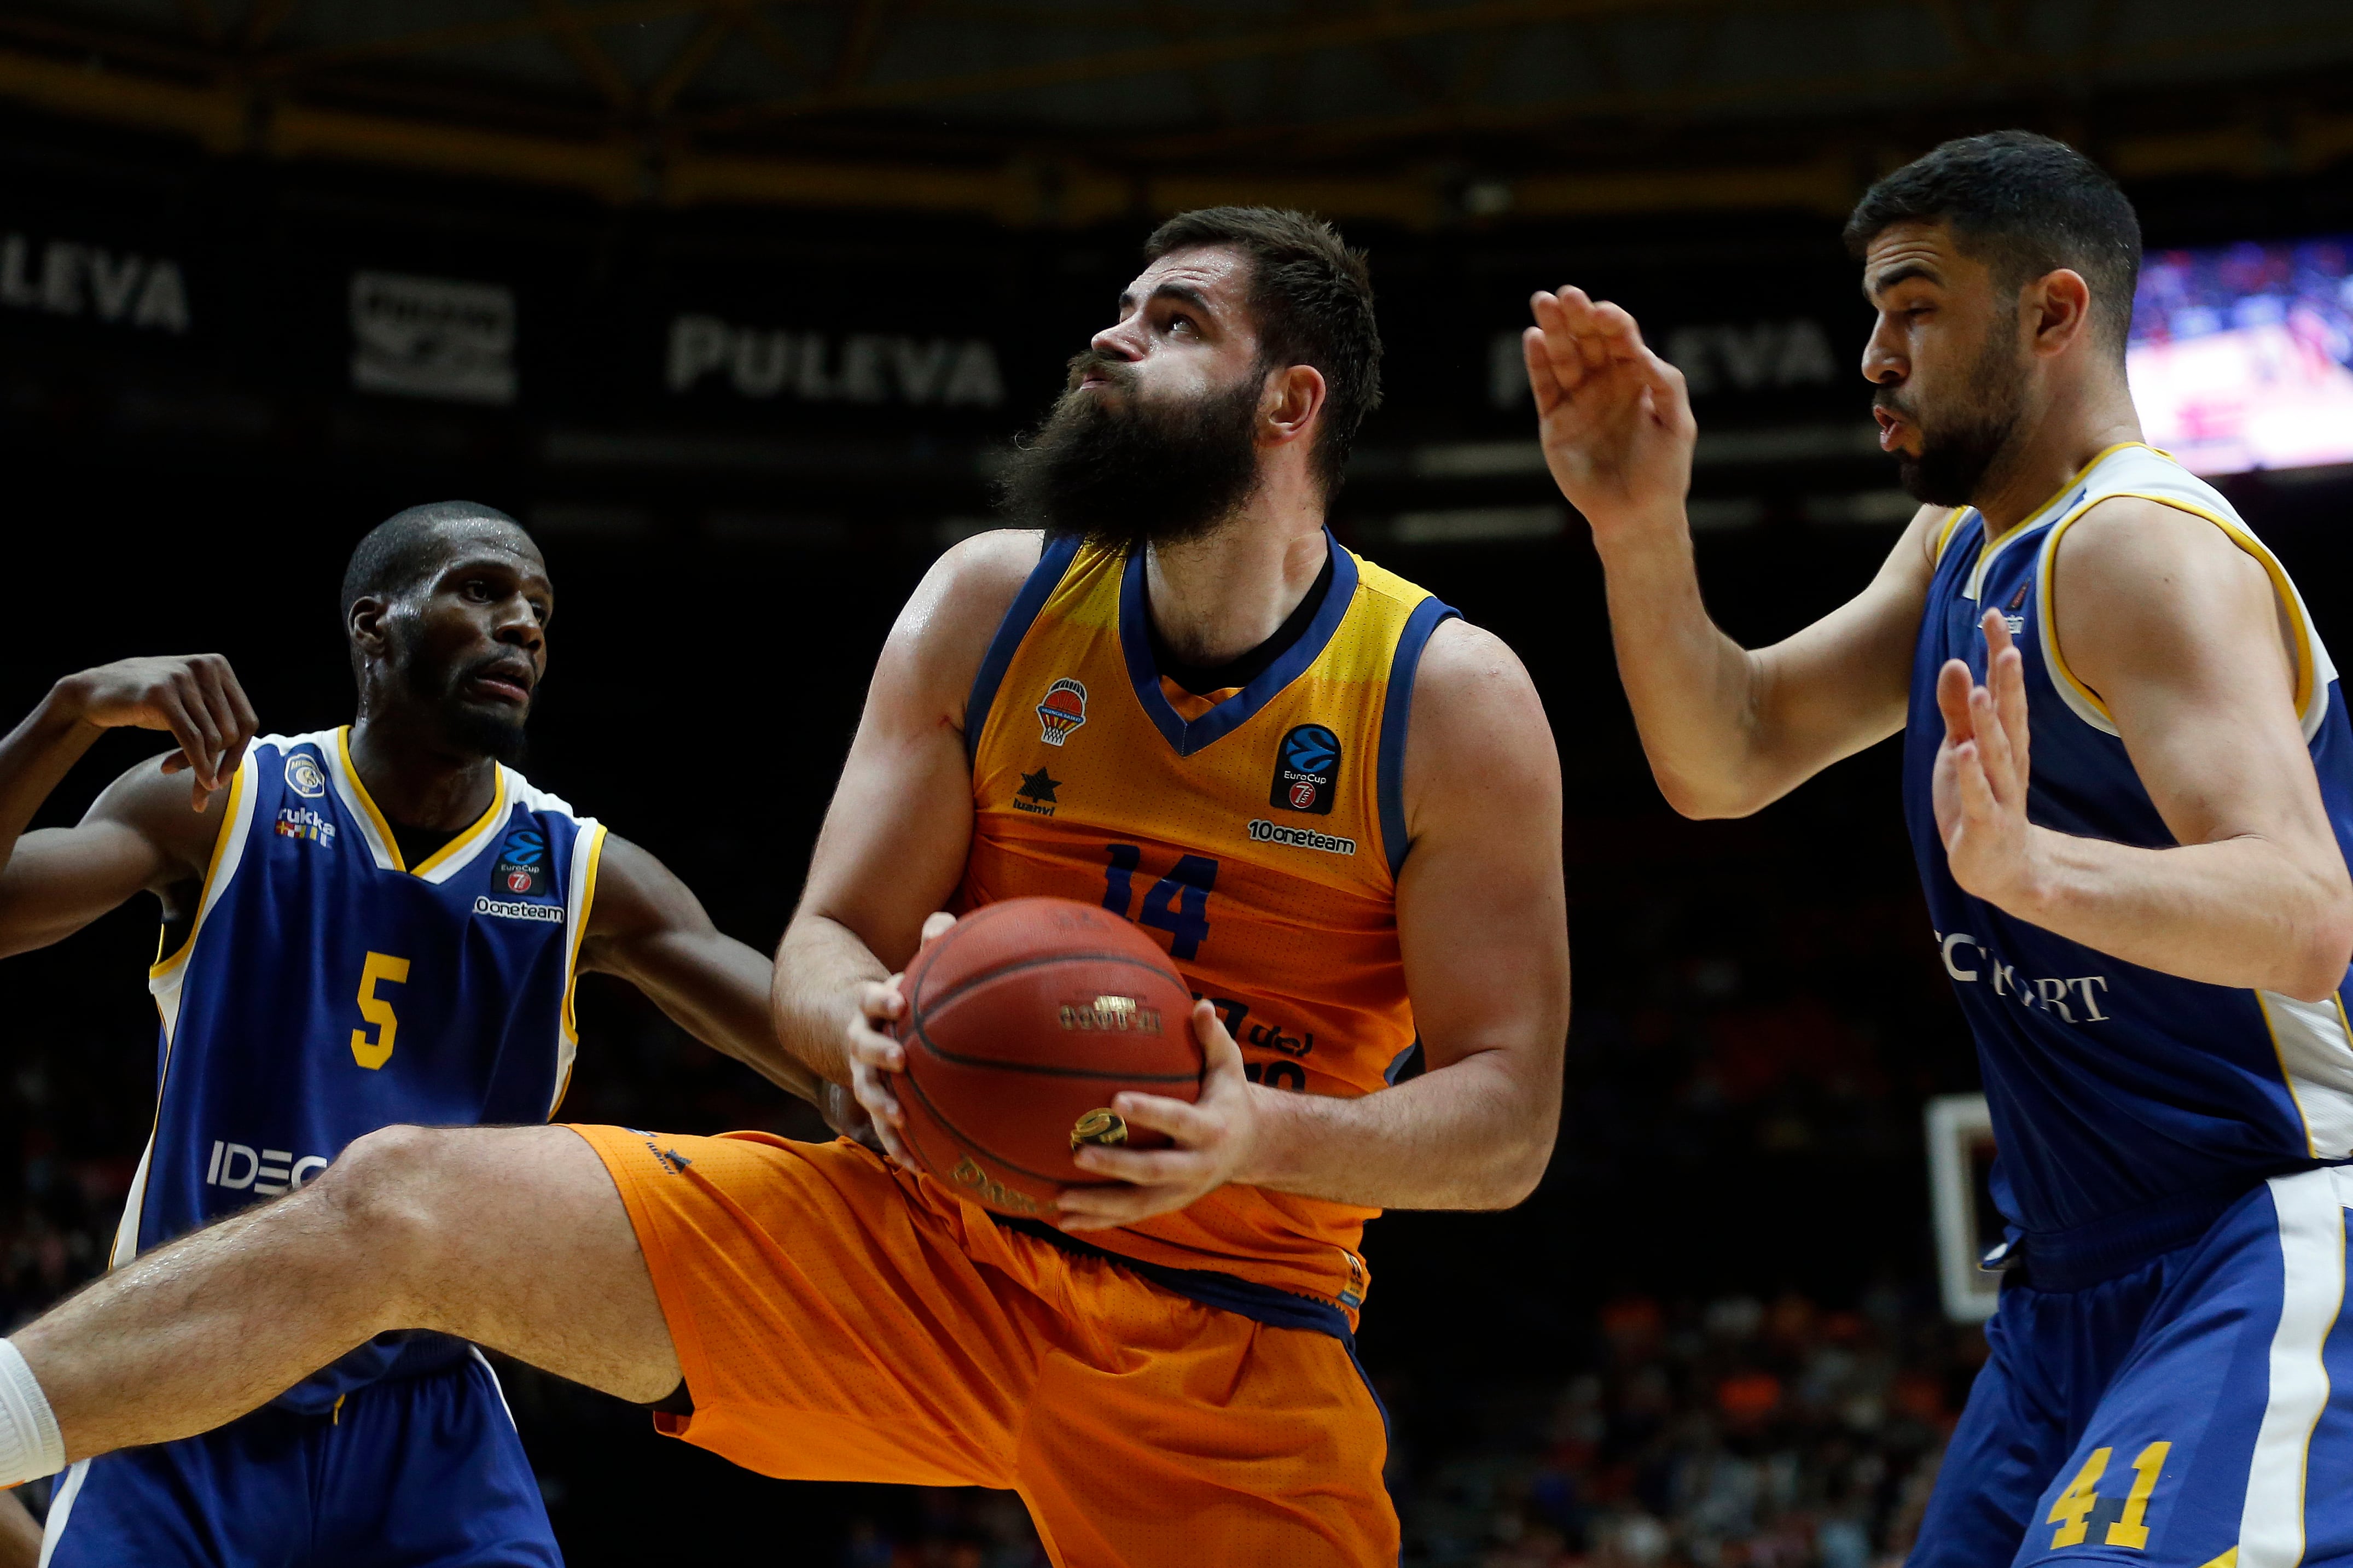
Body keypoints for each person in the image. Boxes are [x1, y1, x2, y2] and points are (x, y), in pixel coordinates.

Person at [0, 208, 1571, 1567]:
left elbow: (1505, 1124)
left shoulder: (1448, 699)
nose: (1107, 339)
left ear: (1288, 401)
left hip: (1229, 1327)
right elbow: (826, 943)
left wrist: (1254, 1134)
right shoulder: (988, 604)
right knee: (401, 1195)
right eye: (1116, 306)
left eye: (1169, 322)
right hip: (923, 1248)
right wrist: (864, 1034)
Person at [1526, 130, 2353, 1565]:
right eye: (1870, 312)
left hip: (2275, 1219)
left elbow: (2297, 911)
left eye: (1910, 306)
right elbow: (1725, 754)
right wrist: (1634, 523)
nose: (1870, 354)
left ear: (2050, 313)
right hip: (2070, 1279)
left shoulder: (2137, 549)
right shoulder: (1961, 546)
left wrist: (2036, 871)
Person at [0, 502, 850, 1566]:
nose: (524, 626)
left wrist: (920, 1063)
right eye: (483, 591)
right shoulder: (223, 802)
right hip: (180, 1384)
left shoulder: (583, 874)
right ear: (375, 623)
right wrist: (67, 712)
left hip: (425, 1419)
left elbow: (824, 1061)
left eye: (539, 607)